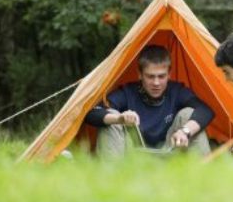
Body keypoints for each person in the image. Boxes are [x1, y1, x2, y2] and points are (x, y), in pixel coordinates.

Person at [84, 45, 214, 157]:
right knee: (111, 117)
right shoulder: (127, 92)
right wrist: (119, 119)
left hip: (170, 151)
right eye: (150, 77)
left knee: (189, 114)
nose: (156, 83)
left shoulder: (177, 91)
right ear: (140, 74)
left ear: (169, 74)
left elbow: (205, 110)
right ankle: (110, 182)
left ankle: (202, 179)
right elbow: (91, 113)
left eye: (161, 76)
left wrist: (185, 131)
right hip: (133, 155)